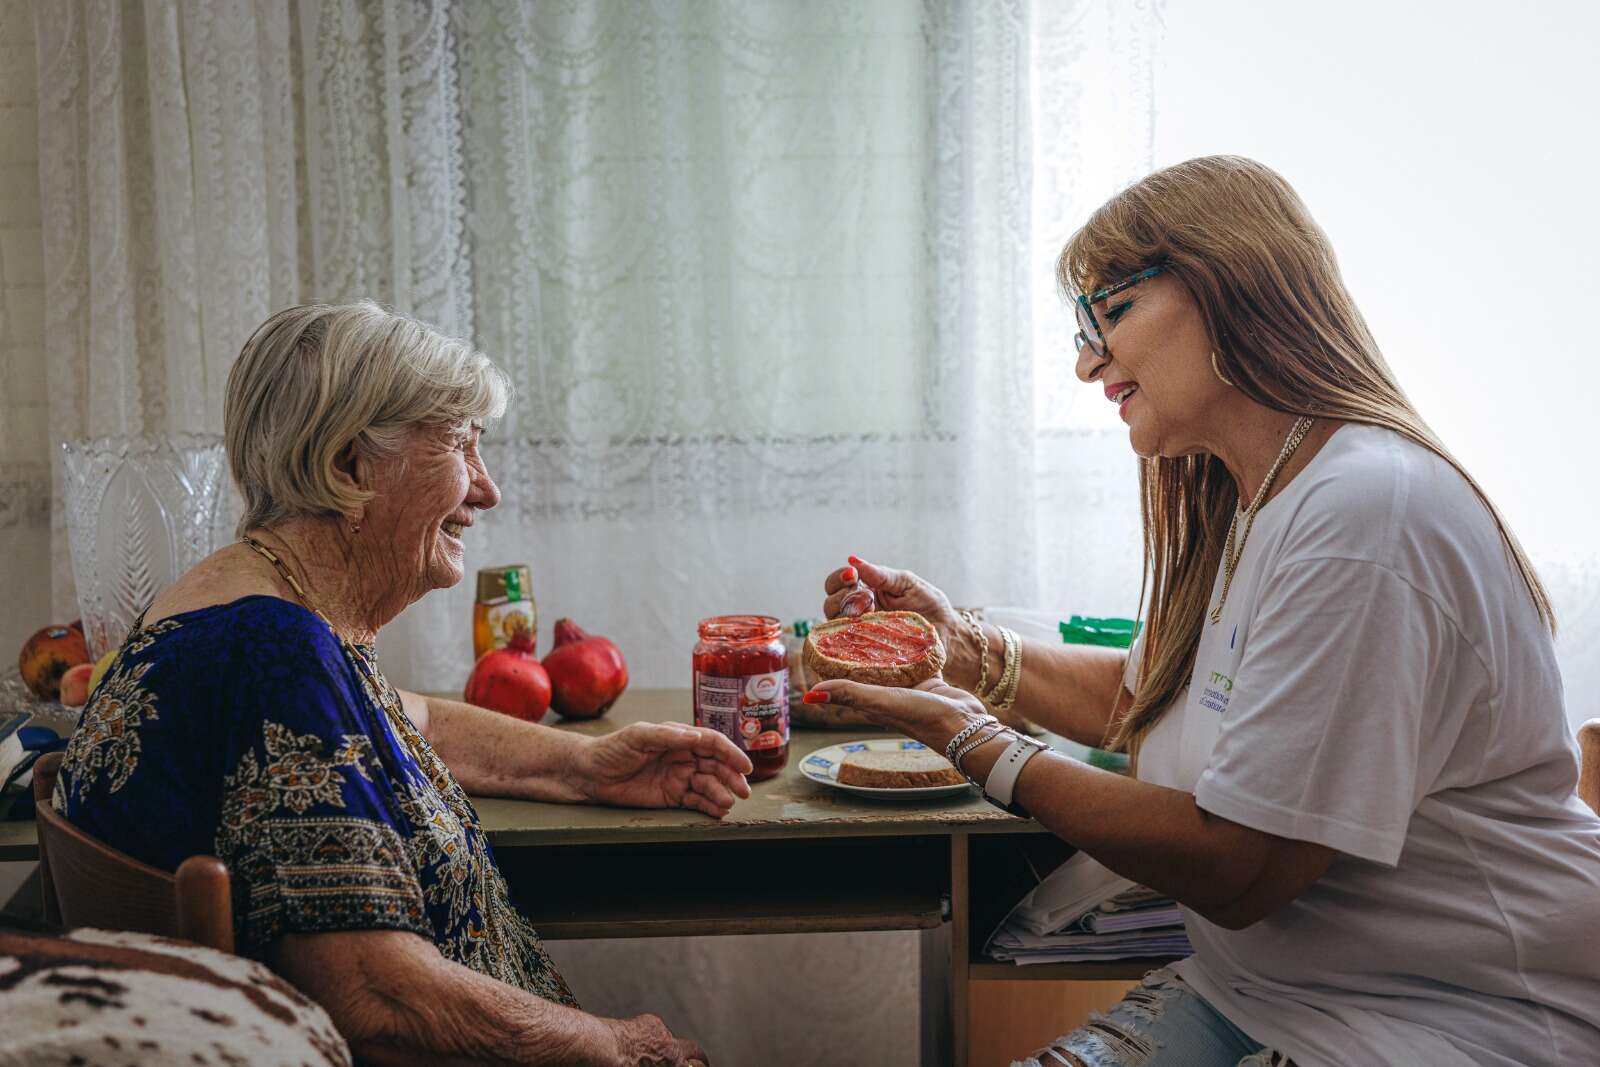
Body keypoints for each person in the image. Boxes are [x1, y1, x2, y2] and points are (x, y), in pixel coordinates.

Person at [804, 156, 1600, 1067]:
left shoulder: (1363, 514)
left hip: (1443, 1023)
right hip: (1259, 997)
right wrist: (965, 650)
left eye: (1112, 311)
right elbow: (1148, 701)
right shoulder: (1263, 495)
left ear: (1227, 284)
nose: (1085, 360)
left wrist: (977, 740)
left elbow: (1241, 866)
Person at [54, 301, 750, 1067]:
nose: (486, 491)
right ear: (350, 465)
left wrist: (582, 765)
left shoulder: (242, 605)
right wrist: (620, 1046)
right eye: (462, 447)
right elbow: (376, 996)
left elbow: (403, 715)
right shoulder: (269, 650)